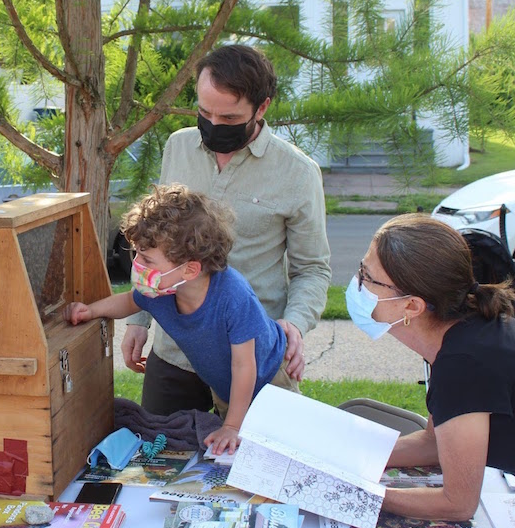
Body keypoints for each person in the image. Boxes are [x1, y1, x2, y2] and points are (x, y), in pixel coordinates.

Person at [123, 44, 331, 415]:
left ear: (262, 107)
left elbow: (312, 268)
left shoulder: (299, 173)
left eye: (230, 118)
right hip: (174, 354)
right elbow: (152, 241)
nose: (214, 126)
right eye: (205, 113)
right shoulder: (178, 146)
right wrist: (140, 318)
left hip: (253, 359)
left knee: (254, 470)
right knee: (159, 464)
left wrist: (295, 324)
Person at [347, 213, 515, 521]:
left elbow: (456, 504)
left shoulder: (464, 363)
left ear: (411, 306)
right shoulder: (466, 331)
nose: (357, 282)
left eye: (367, 276)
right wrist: (347, 458)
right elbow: (433, 443)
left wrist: (356, 491)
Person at [65, 184, 286, 455]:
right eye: (136, 255)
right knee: (236, 455)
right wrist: (92, 310)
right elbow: (129, 301)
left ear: (190, 269)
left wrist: (231, 425)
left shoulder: (234, 297)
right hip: (229, 387)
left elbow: (244, 366)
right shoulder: (159, 291)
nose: (137, 265)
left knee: (280, 451)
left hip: (272, 380)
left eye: (147, 259)